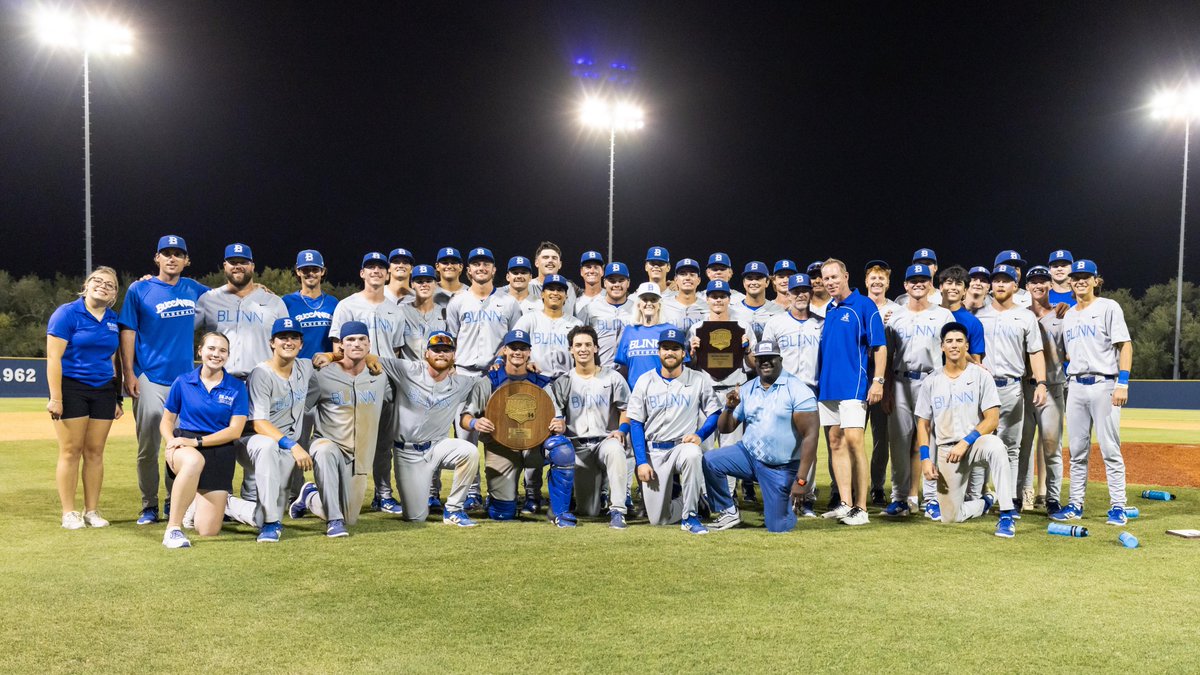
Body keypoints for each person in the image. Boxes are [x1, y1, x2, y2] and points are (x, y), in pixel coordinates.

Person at [118, 234, 210, 524]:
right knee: (148, 446)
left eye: (178, 254)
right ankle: (148, 505)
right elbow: (128, 331)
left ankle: (174, 501)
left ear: (187, 261)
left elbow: (231, 296)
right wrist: (130, 373)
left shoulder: (195, 289)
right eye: (166, 253)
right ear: (156, 258)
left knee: (180, 445)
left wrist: (256, 287)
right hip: (150, 377)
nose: (172, 258)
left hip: (184, 383)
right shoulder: (139, 289)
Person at [370, 331, 489, 527]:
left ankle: (454, 509)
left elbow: (488, 381)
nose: (441, 354)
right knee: (416, 516)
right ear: (426, 354)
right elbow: (371, 357)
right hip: (407, 453)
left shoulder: (462, 383)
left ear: (454, 356)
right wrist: (332, 355)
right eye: (436, 350)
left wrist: (502, 363)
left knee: (469, 451)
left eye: (447, 350)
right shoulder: (407, 370)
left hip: (437, 447)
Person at [704, 341, 820, 533]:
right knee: (710, 460)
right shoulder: (748, 388)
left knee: (778, 527)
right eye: (760, 360)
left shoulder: (798, 389)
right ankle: (728, 511)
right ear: (755, 363)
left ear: (780, 360)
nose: (765, 363)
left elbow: (811, 436)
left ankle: (786, 504)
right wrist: (729, 407)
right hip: (748, 456)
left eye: (770, 358)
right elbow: (726, 428)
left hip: (780, 467)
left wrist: (801, 480)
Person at [915, 322, 1018, 538]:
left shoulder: (981, 375)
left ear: (967, 345)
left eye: (959, 341)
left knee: (998, 447)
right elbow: (923, 423)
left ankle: (1007, 514)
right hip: (947, 451)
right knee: (950, 517)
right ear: (942, 347)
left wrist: (966, 442)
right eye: (949, 341)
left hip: (975, 443)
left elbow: (992, 420)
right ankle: (986, 501)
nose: (954, 345)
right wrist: (925, 458)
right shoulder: (931, 381)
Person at [1052, 259, 1133, 526]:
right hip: (1075, 386)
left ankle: (1118, 506)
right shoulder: (1069, 315)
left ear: (1096, 280)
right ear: (1070, 282)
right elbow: (1066, 353)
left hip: (1105, 384)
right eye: (1076, 277)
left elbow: (1125, 345)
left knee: (1110, 449)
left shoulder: (1109, 307)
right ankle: (1075, 505)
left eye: (1086, 277)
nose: (1080, 281)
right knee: (1076, 451)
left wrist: (1122, 383)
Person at [290, 321, 389, 537]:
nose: (357, 344)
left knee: (350, 517)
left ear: (369, 344)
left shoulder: (379, 376)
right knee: (325, 450)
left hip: (360, 457)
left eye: (362, 339)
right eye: (350, 340)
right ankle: (334, 522)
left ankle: (310, 496)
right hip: (328, 444)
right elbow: (301, 408)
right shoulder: (321, 374)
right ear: (341, 345)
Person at [225, 318, 317, 543]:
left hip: (284, 448)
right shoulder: (261, 373)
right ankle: (271, 524)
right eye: (283, 337)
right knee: (267, 446)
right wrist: (293, 445)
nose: (289, 341)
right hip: (253, 443)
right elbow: (259, 423)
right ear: (272, 343)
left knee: (264, 511)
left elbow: (331, 361)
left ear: (301, 344)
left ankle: (225, 504)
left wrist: (333, 355)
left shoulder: (305, 366)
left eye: (294, 337)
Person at [47, 266, 123, 529]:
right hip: (71, 388)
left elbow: (114, 360)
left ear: (114, 294)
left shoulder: (113, 319)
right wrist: (56, 397)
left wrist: (116, 397)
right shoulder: (67, 313)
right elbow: (54, 357)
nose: (103, 286)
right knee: (71, 450)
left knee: (95, 452)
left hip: (103, 390)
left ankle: (91, 511)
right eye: (98, 281)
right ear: (86, 285)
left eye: (110, 285)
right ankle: (69, 512)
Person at [330, 251, 406, 516]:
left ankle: (383, 493)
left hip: (384, 382)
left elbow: (397, 352)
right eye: (370, 267)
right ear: (362, 273)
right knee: (347, 440)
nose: (375, 271)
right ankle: (341, 490)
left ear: (387, 274)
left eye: (380, 267)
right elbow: (337, 349)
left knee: (384, 443)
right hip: (352, 381)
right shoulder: (347, 305)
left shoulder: (395, 310)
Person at [626, 328, 722, 534]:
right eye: (666, 348)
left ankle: (691, 516)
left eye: (675, 348)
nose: (670, 352)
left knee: (692, 453)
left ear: (684, 353)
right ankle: (696, 500)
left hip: (681, 447)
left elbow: (715, 413)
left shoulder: (698, 379)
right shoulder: (645, 380)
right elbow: (635, 423)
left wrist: (700, 435)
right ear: (659, 351)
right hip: (654, 452)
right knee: (658, 520)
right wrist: (641, 462)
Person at [159, 332, 250, 548]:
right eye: (211, 348)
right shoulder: (183, 382)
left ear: (227, 356)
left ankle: (193, 506)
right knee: (194, 461)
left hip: (220, 451)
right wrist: (171, 441)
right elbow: (166, 421)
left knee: (208, 530)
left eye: (222, 351)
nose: (216, 354)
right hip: (185, 445)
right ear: (200, 350)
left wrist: (198, 442)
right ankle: (173, 529)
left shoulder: (236, 387)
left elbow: (235, 431)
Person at [817, 258, 886, 526]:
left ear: (846, 276)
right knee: (835, 443)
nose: (831, 282)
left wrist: (877, 380)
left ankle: (862, 507)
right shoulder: (829, 310)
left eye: (835, 277)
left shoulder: (864, 305)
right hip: (828, 388)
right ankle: (845, 503)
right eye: (826, 279)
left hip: (854, 387)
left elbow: (879, 346)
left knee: (856, 444)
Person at [881, 264, 953, 517]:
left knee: (932, 441)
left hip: (931, 381)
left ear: (930, 283)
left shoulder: (944, 315)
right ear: (905, 285)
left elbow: (952, 354)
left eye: (923, 279)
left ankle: (931, 498)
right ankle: (900, 497)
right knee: (899, 442)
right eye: (913, 280)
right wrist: (887, 388)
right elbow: (887, 356)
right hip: (900, 382)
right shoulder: (894, 315)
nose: (918, 284)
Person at [464, 329, 557, 522]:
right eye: (513, 347)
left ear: (529, 352)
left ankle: (559, 510)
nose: (518, 352)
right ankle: (498, 499)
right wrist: (475, 422)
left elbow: (558, 416)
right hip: (501, 447)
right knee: (502, 514)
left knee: (563, 450)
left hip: (535, 446)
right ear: (504, 351)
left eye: (523, 348)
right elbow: (465, 417)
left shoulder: (540, 382)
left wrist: (560, 423)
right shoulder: (489, 381)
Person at [975, 264, 1047, 511]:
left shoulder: (1025, 316)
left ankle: (1011, 499)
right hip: (983, 388)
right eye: (996, 281)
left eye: (1006, 280)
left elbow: (1036, 352)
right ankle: (979, 496)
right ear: (991, 286)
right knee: (980, 443)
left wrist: (1041, 383)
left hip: (1012, 387)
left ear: (1015, 286)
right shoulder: (979, 315)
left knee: (1011, 448)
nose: (1001, 284)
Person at [547, 326, 633, 528]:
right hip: (578, 448)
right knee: (589, 511)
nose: (583, 349)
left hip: (605, 441)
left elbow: (626, 409)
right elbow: (557, 415)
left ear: (596, 348)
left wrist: (621, 431)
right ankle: (596, 496)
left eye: (587, 344)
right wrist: (558, 424)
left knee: (615, 450)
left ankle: (618, 511)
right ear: (571, 350)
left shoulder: (612, 377)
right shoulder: (563, 381)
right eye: (578, 345)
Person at [760, 273, 824, 515]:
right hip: (782, 389)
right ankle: (781, 495)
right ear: (788, 294)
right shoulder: (776, 323)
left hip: (809, 389)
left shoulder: (821, 323)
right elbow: (764, 361)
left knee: (809, 446)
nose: (800, 295)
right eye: (795, 291)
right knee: (780, 445)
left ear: (810, 292)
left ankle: (806, 497)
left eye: (804, 290)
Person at [195, 243, 289, 379]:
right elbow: (182, 332)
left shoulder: (274, 302)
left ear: (252, 266)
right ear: (225, 266)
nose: (238, 266)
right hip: (218, 381)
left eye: (243, 262)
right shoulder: (209, 299)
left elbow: (286, 345)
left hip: (263, 381)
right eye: (233, 262)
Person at [1023, 265, 1067, 514]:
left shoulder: (1061, 316)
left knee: (1051, 446)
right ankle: (1020, 497)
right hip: (1024, 388)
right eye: (1033, 281)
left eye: (1043, 281)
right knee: (1022, 447)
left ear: (1050, 285)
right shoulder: (1020, 314)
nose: (1038, 285)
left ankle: (1052, 498)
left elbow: (1071, 351)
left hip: (1051, 387)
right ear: (1027, 287)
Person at [863, 260, 900, 507]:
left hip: (884, 380)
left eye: (881, 279)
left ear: (888, 282)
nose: (877, 282)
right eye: (872, 278)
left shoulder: (897, 311)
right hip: (858, 376)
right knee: (849, 436)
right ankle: (844, 489)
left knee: (881, 438)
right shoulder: (857, 306)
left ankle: (877, 487)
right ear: (866, 282)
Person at [513, 274, 582, 378]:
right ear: (542, 294)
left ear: (566, 296)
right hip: (536, 379)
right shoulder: (529, 319)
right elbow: (512, 347)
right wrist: (526, 362)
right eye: (550, 289)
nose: (555, 293)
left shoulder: (576, 324)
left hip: (567, 381)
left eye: (560, 290)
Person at [614, 282, 679, 388]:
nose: (649, 303)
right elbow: (624, 368)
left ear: (659, 304)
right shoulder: (629, 331)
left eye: (653, 299)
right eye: (645, 299)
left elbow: (680, 366)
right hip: (635, 394)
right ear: (639, 304)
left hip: (664, 394)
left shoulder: (670, 330)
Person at [282, 249, 337, 360]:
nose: (310, 273)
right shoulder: (286, 302)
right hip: (297, 367)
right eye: (306, 269)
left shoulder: (334, 303)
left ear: (322, 271)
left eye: (315, 269)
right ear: (298, 271)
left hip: (328, 367)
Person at [575, 262, 633, 368]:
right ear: (605, 283)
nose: (616, 284)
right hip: (600, 371)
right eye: (612, 281)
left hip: (629, 371)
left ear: (628, 283)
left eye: (621, 280)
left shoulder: (637, 308)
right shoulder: (590, 308)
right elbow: (579, 339)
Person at [936, 265, 986, 366]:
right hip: (930, 376)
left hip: (960, 377)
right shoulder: (929, 314)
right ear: (941, 287)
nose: (953, 287)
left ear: (965, 290)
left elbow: (976, 361)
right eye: (949, 283)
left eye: (958, 284)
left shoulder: (973, 322)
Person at [398, 264, 449, 360]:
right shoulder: (402, 311)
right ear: (412, 284)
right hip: (409, 371)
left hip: (436, 370)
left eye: (429, 281)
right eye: (419, 281)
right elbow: (395, 347)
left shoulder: (444, 313)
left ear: (435, 284)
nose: (424, 285)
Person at [730, 261, 783, 339]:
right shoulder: (732, 311)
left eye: (758, 278)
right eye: (749, 278)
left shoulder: (778, 311)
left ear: (767, 282)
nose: (754, 282)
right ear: (744, 282)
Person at [661, 258, 707, 332]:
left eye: (692, 274)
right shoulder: (663, 305)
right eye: (683, 274)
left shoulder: (707, 308)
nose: (688, 278)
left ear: (698, 280)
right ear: (676, 279)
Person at [575, 250, 606, 316]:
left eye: (596, 267)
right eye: (588, 267)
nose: (592, 271)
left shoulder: (610, 298)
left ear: (602, 271)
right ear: (581, 272)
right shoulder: (575, 303)